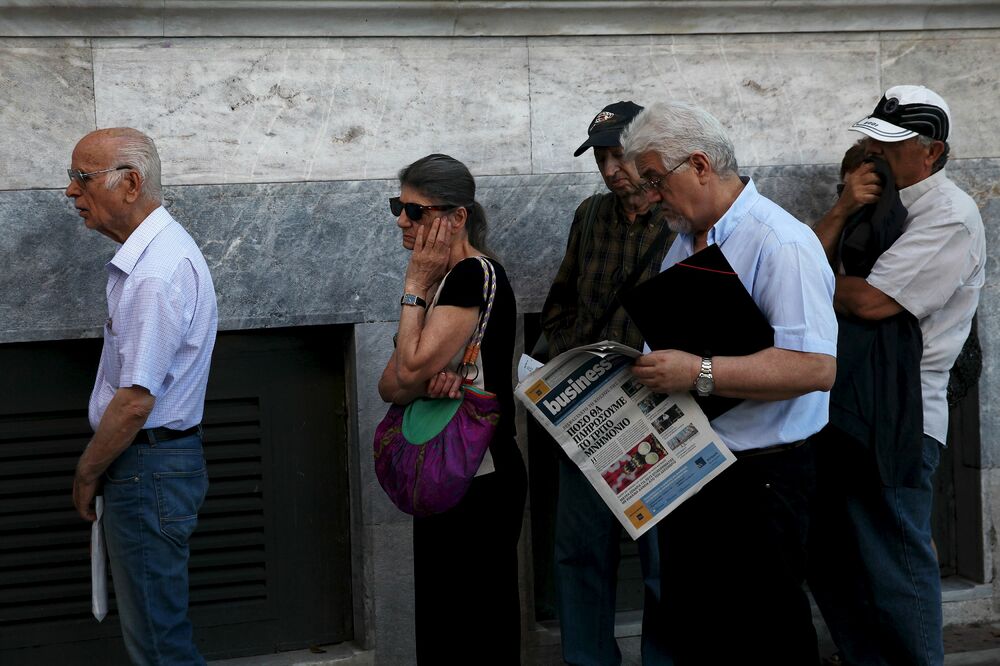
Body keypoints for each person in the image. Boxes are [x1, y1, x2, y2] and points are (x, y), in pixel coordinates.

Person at [620, 101, 838, 665]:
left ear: (698, 164)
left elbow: (815, 366)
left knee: (765, 636)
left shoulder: (780, 242)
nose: (647, 197)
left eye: (653, 180)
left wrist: (699, 373)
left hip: (764, 477)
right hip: (696, 465)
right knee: (701, 633)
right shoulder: (685, 238)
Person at [808, 85, 986, 666]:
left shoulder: (950, 215)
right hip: (845, 406)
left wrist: (802, 289)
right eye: (873, 140)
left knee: (897, 567)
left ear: (931, 152)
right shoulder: (876, 205)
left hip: (902, 414)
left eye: (893, 143)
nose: (876, 153)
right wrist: (841, 209)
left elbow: (870, 302)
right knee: (836, 562)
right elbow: (823, 268)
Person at [67, 128, 218, 665]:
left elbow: (134, 402)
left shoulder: (154, 272)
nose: (70, 191)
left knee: (159, 646)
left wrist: (88, 472)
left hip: (147, 466)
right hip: (152, 466)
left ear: (130, 183)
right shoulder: (156, 255)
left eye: (82, 178)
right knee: (159, 635)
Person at [377, 154, 527, 664]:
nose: (402, 220)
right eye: (398, 206)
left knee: (474, 629)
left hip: (478, 475)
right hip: (446, 471)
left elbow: (412, 364)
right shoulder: (448, 282)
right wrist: (416, 382)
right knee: (444, 626)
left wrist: (414, 284)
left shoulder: (469, 277)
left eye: (415, 211)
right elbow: (390, 386)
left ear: (456, 217)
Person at [540, 100, 673, 666]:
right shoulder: (590, 215)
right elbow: (561, 298)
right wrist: (567, 349)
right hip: (589, 408)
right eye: (601, 156)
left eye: (619, 153)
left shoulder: (680, 217)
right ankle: (587, 660)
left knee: (663, 559)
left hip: (660, 406)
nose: (611, 167)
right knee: (579, 549)